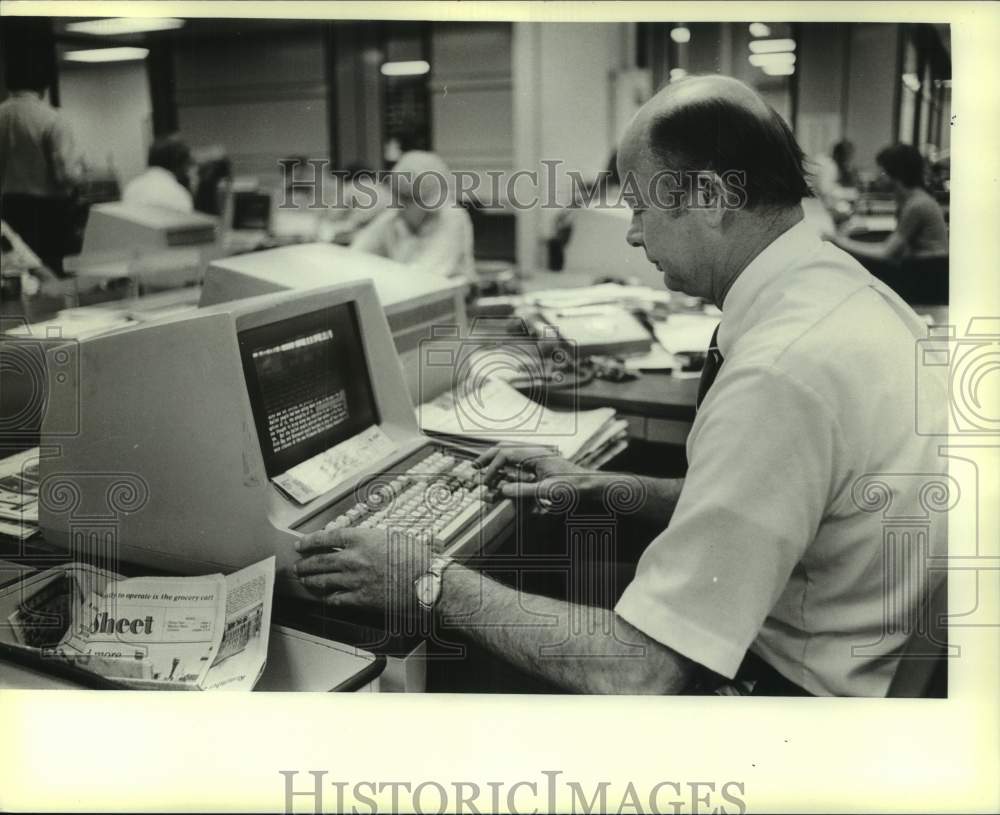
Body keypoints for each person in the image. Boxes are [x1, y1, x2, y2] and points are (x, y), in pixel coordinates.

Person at [293, 75, 948, 696]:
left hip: (787, 693)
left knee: (471, 651)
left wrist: (427, 579)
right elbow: (766, 503)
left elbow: (642, 670)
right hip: (844, 644)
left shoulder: (781, 370)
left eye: (639, 208)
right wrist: (597, 486)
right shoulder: (838, 290)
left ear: (713, 199)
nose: (632, 233)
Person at [0, 55, 81, 275]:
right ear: (44, 85)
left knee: (17, 271)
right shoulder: (52, 119)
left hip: (7, 207)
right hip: (47, 210)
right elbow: (65, 173)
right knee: (52, 272)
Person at [351, 150, 474, 281]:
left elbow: (427, 274)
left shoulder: (452, 216)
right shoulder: (392, 218)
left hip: (449, 295)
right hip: (407, 292)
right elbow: (354, 255)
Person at [830, 143, 948, 262]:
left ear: (896, 175)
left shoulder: (917, 204)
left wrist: (839, 241)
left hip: (927, 271)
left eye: (882, 172)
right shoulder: (912, 199)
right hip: (919, 265)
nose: (878, 177)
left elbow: (886, 252)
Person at [122, 135, 195, 213]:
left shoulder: (131, 187)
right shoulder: (178, 194)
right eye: (187, 163)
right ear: (179, 163)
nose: (188, 170)